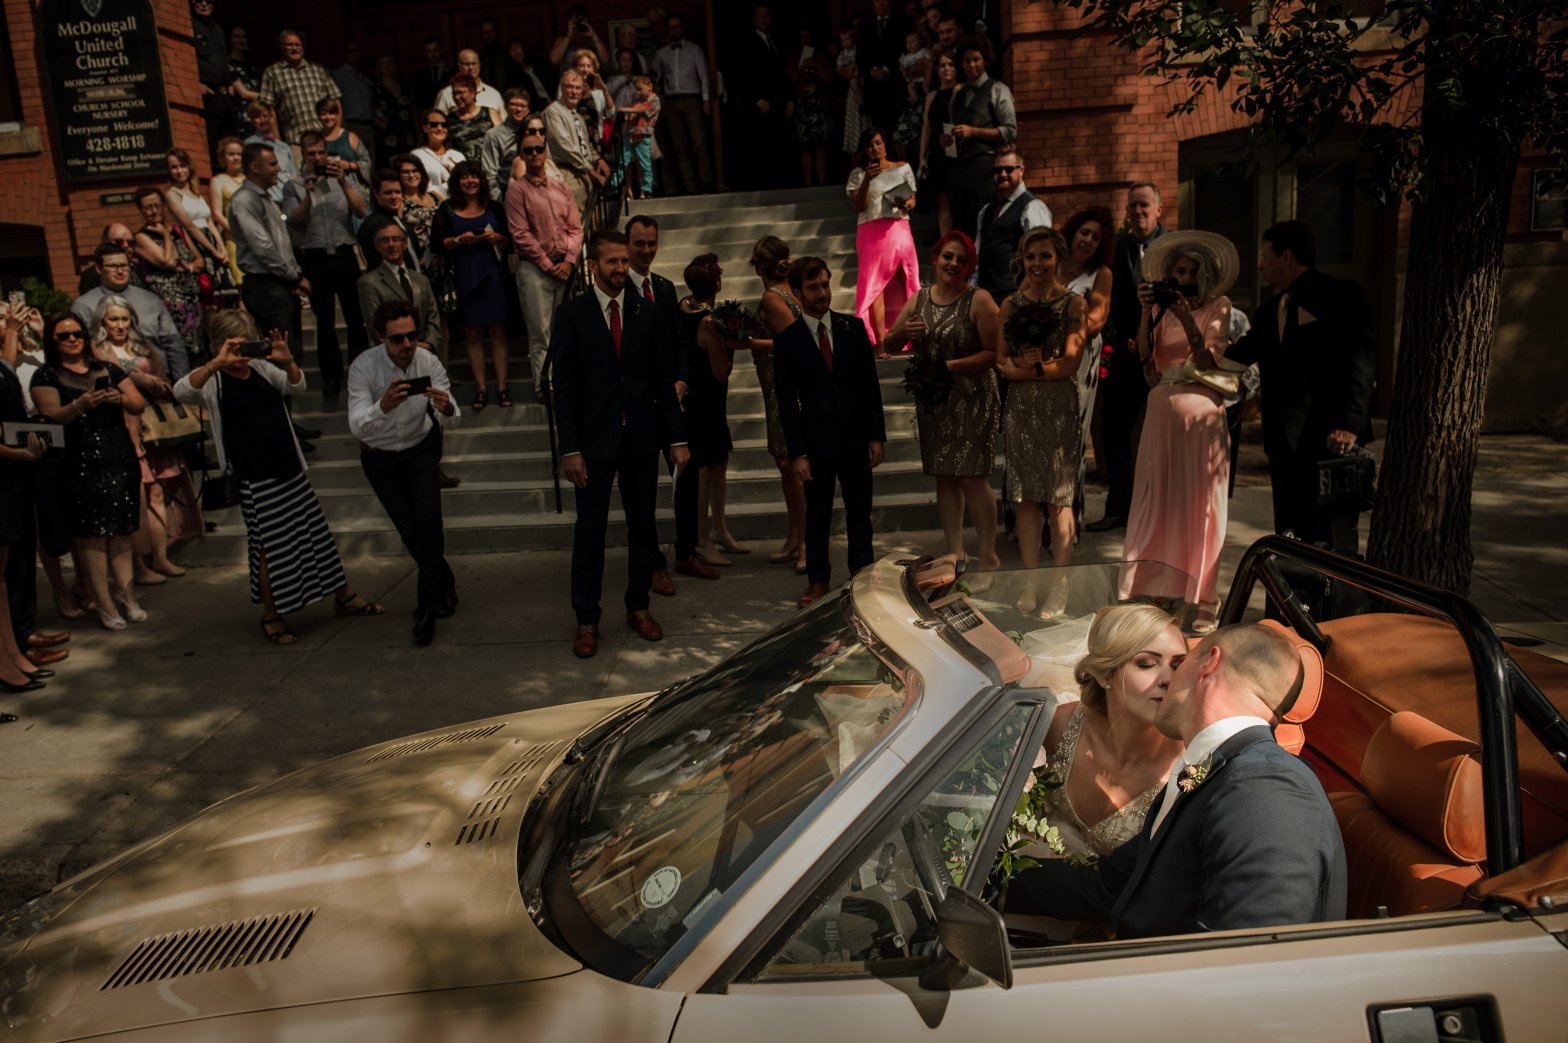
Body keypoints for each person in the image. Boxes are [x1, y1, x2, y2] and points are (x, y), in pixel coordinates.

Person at [1006, 622, 1348, 939]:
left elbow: (1249, 957)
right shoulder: (1214, 769)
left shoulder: (1267, 789)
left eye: (1179, 663)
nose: (1167, 680)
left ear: (1208, 663)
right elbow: (1108, 886)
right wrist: (987, 881)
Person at [175, 310, 383, 644]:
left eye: (248, 343)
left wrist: (287, 362)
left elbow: (296, 385)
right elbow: (180, 391)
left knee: (315, 534)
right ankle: (272, 615)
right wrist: (216, 363)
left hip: (289, 467)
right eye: (235, 345)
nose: (243, 353)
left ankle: (343, 596)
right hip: (254, 476)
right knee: (269, 547)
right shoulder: (213, 381)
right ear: (219, 345)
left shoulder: (260, 368)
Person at [551, 229, 688, 658]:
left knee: (643, 526)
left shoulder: (648, 311)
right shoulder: (572, 314)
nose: (620, 268)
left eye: (624, 261)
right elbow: (564, 388)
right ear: (593, 265)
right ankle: (587, 618)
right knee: (589, 530)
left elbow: (662, 378)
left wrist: (676, 437)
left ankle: (638, 607)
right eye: (612, 261)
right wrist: (570, 449)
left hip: (641, 439)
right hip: (592, 444)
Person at [1227, 219, 1376, 552]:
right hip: (1283, 447)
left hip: (1330, 442)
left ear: (1287, 257)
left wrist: (1349, 425)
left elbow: (1360, 362)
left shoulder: (1342, 294)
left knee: (1332, 545)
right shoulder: (1268, 312)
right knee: (1291, 541)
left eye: (1265, 255)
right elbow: (1234, 357)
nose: (1261, 265)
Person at [1119, 232, 1238, 631]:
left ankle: (1205, 599)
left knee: (1201, 506)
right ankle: (1158, 587)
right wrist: (1146, 311)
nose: (1184, 278)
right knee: (1159, 501)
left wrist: (1187, 316)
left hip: (1202, 415)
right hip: (1161, 414)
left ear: (1205, 277)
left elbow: (1207, 359)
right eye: (1179, 272)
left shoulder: (1219, 306)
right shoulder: (1160, 310)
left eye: (1192, 272)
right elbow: (1146, 361)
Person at [773, 256, 887, 608]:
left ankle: (862, 578)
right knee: (818, 514)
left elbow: (870, 387)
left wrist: (876, 435)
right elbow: (786, 403)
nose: (822, 293)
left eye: (825, 284)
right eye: (813, 287)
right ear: (796, 293)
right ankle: (818, 580)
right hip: (816, 443)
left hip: (855, 438)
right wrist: (798, 453)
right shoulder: (788, 341)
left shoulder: (853, 328)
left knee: (860, 513)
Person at [883, 230, 1001, 567]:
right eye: (948, 256)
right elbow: (888, 344)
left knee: (971, 477)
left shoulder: (979, 300)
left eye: (962, 260)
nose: (953, 264)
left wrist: (949, 366)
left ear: (969, 267)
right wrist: (903, 333)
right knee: (944, 476)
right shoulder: (919, 298)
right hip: (934, 402)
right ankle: (955, 553)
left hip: (973, 399)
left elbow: (994, 353)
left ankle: (988, 556)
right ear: (935, 258)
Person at [1036, 603, 1187, 860]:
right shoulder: (1060, 725)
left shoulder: (1187, 769)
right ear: (1105, 675)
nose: (1168, 679)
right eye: (1147, 664)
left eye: (1177, 665)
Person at [348, 299, 460, 646]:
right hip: (379, 458)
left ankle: (427, 610)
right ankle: (445, 582)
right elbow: (356, 425)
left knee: (429, 524)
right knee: (410, 531)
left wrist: (446, 408)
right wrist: (383, 406)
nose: (408, 344)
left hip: (419, 450)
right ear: (381, 337)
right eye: (398, 338)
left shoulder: (427, 360)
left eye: (412, 335)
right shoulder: (364, 367)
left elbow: (452, 416)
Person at [29, 312, 148, 631]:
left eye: (77, 334)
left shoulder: (107, 368)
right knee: (92, 536)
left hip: (118, 456)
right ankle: (104, 603)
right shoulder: (46, 375)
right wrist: (79, 405)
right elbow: (50, 415)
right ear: (52, 341)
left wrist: (118, 398)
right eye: (63, 335)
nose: (72, 340)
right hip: (78, 461)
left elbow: (138, 404)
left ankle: (128, 597)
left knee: (121, 531)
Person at [998, 227, 1087, 616]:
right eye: (1030, 256)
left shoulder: (1074, 304)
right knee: (1025, 496)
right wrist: (1015, 367)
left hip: (1058, 407)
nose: (1037, 264)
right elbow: (1000, 358)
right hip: (1021, 408)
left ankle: (1059, 583)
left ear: (1059, 260)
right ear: (1022, 260)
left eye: (1045, 256)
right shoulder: (1011, 304)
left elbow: (1069, 364)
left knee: (1058, 496)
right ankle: (1030, 581)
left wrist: (1028, 370)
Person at [89, 296, 202, 585]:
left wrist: (154, 384)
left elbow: (165, 383)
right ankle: (138, 564)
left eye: (125, 319)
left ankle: (161, 557)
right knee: (135, 498)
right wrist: (136, 380)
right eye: (113, 319)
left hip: (157, 428)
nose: (120, 325)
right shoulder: (96, 351)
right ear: (102, 322)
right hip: (123, 431)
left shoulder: (143, 346)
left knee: (157, 494)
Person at [1091, 180, 1167, 533]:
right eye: (1132, 205)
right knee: (1112, 431)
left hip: (1165, 356)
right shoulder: (1117, 249)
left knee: (1163, 437)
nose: (1137, 211)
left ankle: (1162, 513)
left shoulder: (1172, 248)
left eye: (1144, 205)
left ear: (1158, 209)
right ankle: (1119, 509)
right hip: (1124, 357)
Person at [623, 215, 692, 594]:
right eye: (639, 244)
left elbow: (680, 341)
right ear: (627, 245)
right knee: (643, 494)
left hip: (672, 401)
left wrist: (681, 381)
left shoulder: (664, 289)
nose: (646, 250)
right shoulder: (620, 292)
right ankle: (652, 564)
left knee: (686, 478)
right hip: (640, 408)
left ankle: (687, 550)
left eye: (652, 243)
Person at [284, 131, 371, 395]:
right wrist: (309, 194)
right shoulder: (294, 185)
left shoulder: (343, 179)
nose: (317, 158)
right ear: (304, 155)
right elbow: (295, 220)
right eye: (311, 154)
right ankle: (331, 377)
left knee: (355, 318)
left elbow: (362, 210)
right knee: (324, 321)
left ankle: (361, 375)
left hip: (344, 255)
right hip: (316, 258)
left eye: (321, 152)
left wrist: (343, 182)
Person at [678, 254, 751, 568]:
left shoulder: (683, 305)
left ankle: (720, 529)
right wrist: (732, 348)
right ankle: (703, 539)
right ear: (717, 283)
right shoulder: (709, 322)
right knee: (707, 468)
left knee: (719, 462)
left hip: (700, 398)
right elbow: (722, 372)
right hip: (705, 399)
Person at [506, 132, 581, 402]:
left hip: (564, 267)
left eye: (539, 149)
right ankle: (545, 387)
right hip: (535, 269)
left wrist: (569, 261)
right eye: (529, 151)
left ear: (546, 152)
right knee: (540, 331)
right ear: (522, 156)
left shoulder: (560, 187)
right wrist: (549, 266)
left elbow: (575, 227)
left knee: (565, 329)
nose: (535, 154)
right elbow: (520, 234)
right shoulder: (516, 191)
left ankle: (567, 382)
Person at [749, 236, 808, 573]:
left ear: (759, 266)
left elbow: (793, 343)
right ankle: (794, 536)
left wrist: (748, 343)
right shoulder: (790, 291)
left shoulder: (772, 297)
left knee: (792, 467)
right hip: (778, 386)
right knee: (786, 468)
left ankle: (805, 543)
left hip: (783, 388)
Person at [432, 162, 510, 410]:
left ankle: (502, 388)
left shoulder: (494, 207)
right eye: (464, 177)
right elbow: (436, 243)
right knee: (473, 335)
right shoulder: (447, 209)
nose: (470, 181)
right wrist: (459, 240)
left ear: (481, 180)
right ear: (457, 182)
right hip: (464, 276)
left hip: (493, 275)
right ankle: (481, 390)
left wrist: (496, 238)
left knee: (498, 333)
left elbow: (509, 242)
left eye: (474, 176)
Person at [1058, 207, 1116, 533]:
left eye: (1096, 238)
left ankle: (1066, 520)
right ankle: (1028, 518)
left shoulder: (1100, 274)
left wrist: (1058, 325)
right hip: (1039, 360)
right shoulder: (1050, 262)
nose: (1088, 240)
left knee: (1070, 437)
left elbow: (1096, 321)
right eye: (1084, 232)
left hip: (1080, 360)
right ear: (1072, 231)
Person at [230, 143, 308, 363]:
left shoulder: (267, 199)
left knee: (293, 354)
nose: (278, 169)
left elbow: (282, 244)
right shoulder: (244, 200)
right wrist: (294, 276)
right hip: (265, 286)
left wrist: (293, 275)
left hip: (281, 283)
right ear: (255, 167)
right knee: (282, 357)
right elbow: (263, 248)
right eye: (272, 164)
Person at [847, 128, 920, 352]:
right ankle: (880, 342)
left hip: (899, 227)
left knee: (908, 278)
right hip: (870, 230)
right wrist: (867, 180)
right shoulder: (859, 174)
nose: (875, 148)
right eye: (870, 145)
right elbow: (858, 205)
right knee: (874, 285)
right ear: (865, 149)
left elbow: (913, 200)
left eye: (878, 143)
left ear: (885, 145)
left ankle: (915, 336)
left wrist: (906, 205)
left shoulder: (903, 167)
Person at [73, 243, 190, 380]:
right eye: (113, 266)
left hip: (159, 377)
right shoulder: (84, 305)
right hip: (114, 382)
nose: (120, 271)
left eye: (124, 265)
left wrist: (181, 383)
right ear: (99, 268)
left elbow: (173, 344)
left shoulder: (150, 299)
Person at [944, 36, 1018, 242]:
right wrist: (947, 140)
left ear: (985, 61)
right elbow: (953, 127)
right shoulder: (957, 94)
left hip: (985, 166)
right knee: (962, 226)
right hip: (959, 168)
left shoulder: (997, 89)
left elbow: (1010, 131)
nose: (971, 65)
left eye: (976, 59)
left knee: (986, 223)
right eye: (967, 61)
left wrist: (974, 132)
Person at [131, 186, 205, 372]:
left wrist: (187, 267)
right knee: (181, 350)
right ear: (140, 210)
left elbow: (200, 261)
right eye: (148, 207)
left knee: (200, 347)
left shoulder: (178, 230)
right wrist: (165, 234)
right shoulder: (141, 237)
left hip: (192, 300)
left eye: (157, 205)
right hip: (171, 305)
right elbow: (169, 261)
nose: (154, 211)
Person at [973, 145, 1050, 300]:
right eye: (997, 170)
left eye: (1008, 169)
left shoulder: (1032, 207)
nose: (1003, 174)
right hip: (985, 299)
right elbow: (977, 257)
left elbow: (1042, 260)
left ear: (1021, 170)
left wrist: (1017, 300)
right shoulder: (986, 211)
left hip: (1015, 299)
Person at [357, 223, 441, 364]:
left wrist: (428, 344)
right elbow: (375, 325)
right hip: (392, 358)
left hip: (425, 356)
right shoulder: (369, 283)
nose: (391, 244)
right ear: (377, 247)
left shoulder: (421, 280)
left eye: (396, 239)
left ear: (405, 243)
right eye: (385, 240)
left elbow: (433, 317)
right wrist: (404, 346)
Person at [649, 15, 714, 195]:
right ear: (668, 30)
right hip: (671, 102)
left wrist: (706, 99)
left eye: (677, 26)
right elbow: (653, 78)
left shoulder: (694, 50)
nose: (675, 30)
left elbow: (704, 76)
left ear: (682, 27)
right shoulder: (662, 54)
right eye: (671, 27)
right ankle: (689, 186)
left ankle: (706, 182)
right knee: (679, 148)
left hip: (691, 99)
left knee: (699, 143)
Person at [734, 4, 794, 190]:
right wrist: (756, 99)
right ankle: (761, 186)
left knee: (778, 144)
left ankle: (778, 184)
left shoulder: (775, 41)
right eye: (761, 16)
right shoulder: (748, 42)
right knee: (760, 146)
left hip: (777, 102)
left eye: (767, 16)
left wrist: (788, 99)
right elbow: (744, 74)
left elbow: (781, 73)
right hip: (760, 105)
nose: (764, 20)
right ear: (754, 19)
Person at [258, 28, 339, 144]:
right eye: (289, 45)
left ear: (303, 46)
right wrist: (277, 141)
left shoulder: (319, 70)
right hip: (296, 141)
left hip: (325, 137)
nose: (294, 48)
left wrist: (336, 134)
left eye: (297, 45)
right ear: (281, 46)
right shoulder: (272, 73)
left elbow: (335, 101)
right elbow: (269, 109)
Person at [546, 71, 609, 217]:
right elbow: (564, 146)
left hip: (584, 175)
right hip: (567, 173)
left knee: (586, 221)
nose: (574, 92)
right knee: (572, 221)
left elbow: (586, 145)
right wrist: (590, 170)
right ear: (562, 88)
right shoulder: (553, 112)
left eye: (578, 88)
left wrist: (598, 159)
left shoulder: (578, 117)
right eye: (570, 87)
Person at [161, 148, 227, 278]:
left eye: (182, 166)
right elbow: (189, 226)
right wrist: (213, 251)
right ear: (169, 170)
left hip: (211, 240)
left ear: (189, 167)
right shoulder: (171, 194)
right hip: (194, 243)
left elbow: (209, 222)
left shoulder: (196, 193)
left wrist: (222, 248)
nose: (179, 171)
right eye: (174, 167)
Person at [917, 49, 961, 235]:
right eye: (942, 65)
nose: (946, 68)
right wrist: (922, 157)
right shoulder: (931, 96)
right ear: (936, 70)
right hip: (937, 153)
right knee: (943, 202)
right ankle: (946, 242)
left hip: (958, 152)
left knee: (957, 199)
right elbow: (926, 128)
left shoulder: (962, 90)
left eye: (950, 64)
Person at [857, 0, 914, 130]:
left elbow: (906, 50)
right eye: (877, 1)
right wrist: (873, 69)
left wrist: (886, 69)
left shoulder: (904, 21)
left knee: (897, 129)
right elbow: (860, 55)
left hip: (896, 85)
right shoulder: (864, 24)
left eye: (884, 0)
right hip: (873, 88)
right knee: (878, 131)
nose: (881, 4)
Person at [788, 29, 833, 188]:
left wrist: (816, 66)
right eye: (802, 36)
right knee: (804, 146)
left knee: (820, 144)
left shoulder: (820, 56)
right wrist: (801, 67)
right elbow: (789, 81)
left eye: (808, 36)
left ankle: (821, 183)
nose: (805, 39)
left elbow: (829, 79)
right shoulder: (793, 57)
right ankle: (808, 184)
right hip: (802, 106)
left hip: (818, 105)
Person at [356, 169, 423, 272]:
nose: (394, 197)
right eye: (388, 193)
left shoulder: (401, 222)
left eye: (397, 192)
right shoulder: (372, 225)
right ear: (376, 194)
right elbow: (377, 264)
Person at [480, 89, 533, 202]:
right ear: (505, 107)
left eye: (523, 106)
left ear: (528, 110)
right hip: (506, 193)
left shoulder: (536, 132)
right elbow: (489, 174)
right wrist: (498, 202)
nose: (518, 109)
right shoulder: (494, 135)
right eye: (514, 104)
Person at [208, 137, 247, 288]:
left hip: (258, 237)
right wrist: (239, 232)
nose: (236, 157)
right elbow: (217, 214)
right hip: (235, 239)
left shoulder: (251, 178)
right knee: (243, 284)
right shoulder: (218, 181)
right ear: (223, 157)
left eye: (239, 154)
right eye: (231, 154)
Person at [329, 41, 377, 162]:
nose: (354, 54)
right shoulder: (337, 75)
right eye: (351, 51)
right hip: (351, 125)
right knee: (353, 161)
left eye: (357, 51)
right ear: (344, 54)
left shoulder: (365, 76)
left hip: (369, 126)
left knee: (370, 162)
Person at [242, 102, 296, 202]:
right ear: (252, 120)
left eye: (265, 116)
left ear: (271, 118)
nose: (262, 120)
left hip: (288, 200)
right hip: (267, 200)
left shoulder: (284, 147)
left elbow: (292, 175)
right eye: (257, 117)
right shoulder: (248, 145)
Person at [316, 97, 373, 190]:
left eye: (331, 113)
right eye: (323, 114)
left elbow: (367, 162)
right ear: (318, 116)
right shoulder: (316, 139)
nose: (328, 117)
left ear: (337, 114)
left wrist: (348, 165)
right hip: (326, 189)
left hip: (353, 188)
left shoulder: (351, 137)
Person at [411, 107, 466, 201]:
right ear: (425, 128)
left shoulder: (458, 156)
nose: (439, 128)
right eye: (434, 125)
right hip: (431, 204)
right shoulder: (416, 156)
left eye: (444, 125)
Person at [372, 54, 418, 165]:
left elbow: (413, 110)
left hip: (408, 133)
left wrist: (418, 131)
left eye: (389, 62)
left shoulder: (404, 85)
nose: (387, 66)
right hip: (388, 134)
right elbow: (372, 110)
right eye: (383, 63)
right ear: (379, 67)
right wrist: (379, 124)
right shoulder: (376, 89)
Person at [620, 76, 660, 200]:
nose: (638, 92)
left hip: (643, 137)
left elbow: (643, 110)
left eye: (640, 89)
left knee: (645, 164)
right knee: (623, 162)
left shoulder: (654, 100)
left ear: (650, 86)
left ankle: (647, 190)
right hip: (631, 135)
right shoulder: (638, 100)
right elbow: (632, 113)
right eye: (636, 90)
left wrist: (625, 109)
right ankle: (614, 186)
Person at [445, 74, 503, 159]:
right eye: (454, 93)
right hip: (463, 165)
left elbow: (502, 139)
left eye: (460, 93)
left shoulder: (489, 113)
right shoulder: (450, 119)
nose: (457, 97)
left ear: (472, 92)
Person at [435, 49, 505, 114]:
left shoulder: (493, 94)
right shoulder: (446, 94)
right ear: (459, 65)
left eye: (474, 63)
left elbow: (503, 120)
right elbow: (437, 119)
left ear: (479, 65)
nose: (471, 67)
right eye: (466, 64)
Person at [226, 26, 263, 138]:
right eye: (236, 37)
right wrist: (266, 97)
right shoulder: (228, 63)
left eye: (243, 37)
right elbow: (243, 93)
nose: (240, 40)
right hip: (242, 114)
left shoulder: (251, 66)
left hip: (257, 112)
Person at [412, 35, 452, 112]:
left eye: (435, 50)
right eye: (429, 51)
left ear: (441, 49)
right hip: (428, 114)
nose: (433, 54)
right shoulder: (419, 75)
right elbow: (418, 99)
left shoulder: (453, 72)